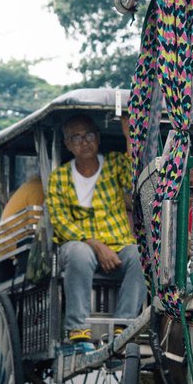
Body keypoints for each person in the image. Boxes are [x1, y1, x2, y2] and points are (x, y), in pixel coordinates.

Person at [46, 113, 146, 349]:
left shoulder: (114, 164)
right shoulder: (59, 177)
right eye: (76, 138)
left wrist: (129, 137)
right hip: (80, 246)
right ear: (68, 144)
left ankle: (125, 324)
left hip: (119, 245)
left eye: (89, 135)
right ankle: (78, 328)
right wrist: (96, 245)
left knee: (142, 255)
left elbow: (135, 180)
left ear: (98, 138)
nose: (84, 142)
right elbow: (60, 221)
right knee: (79, 253)